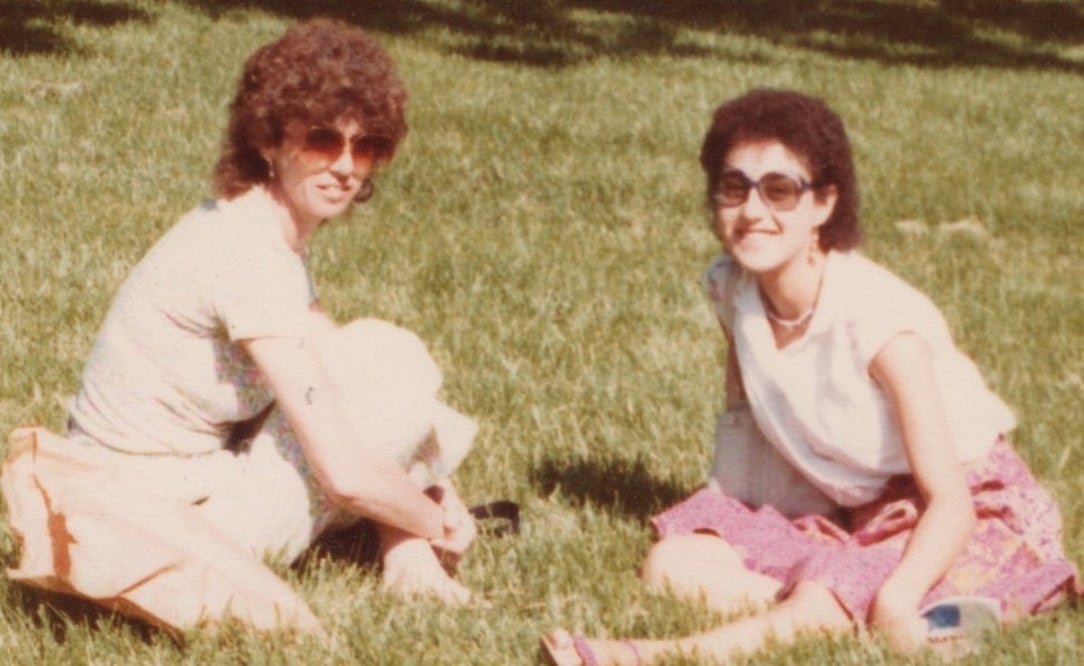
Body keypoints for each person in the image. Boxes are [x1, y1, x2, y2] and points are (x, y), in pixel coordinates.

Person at [542, 89, 1079, 664]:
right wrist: (724, 522)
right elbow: (744, 418)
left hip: (967, 514)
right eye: (734, 187)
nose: (752, 210)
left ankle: (642, 657)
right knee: (673, 562)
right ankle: (824, 609)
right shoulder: (731, 288)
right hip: (856, 510)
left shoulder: (880, 322)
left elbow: (952, 501)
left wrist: (896, 598)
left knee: (836, 591)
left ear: (823, 204)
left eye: (779, 190)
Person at [1, 19, 479, 637]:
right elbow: (345, 471)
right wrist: (433, 521)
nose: (344, 165)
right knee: (380, 391)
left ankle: (404, 559)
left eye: (366, 147)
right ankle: (410, 556)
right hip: (153, 526)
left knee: (388, 351)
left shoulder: (259, 230)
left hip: (184, 485)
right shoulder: (247, 253)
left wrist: (435, 487)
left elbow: (332, 362)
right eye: (322, 139)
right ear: (270, 140)